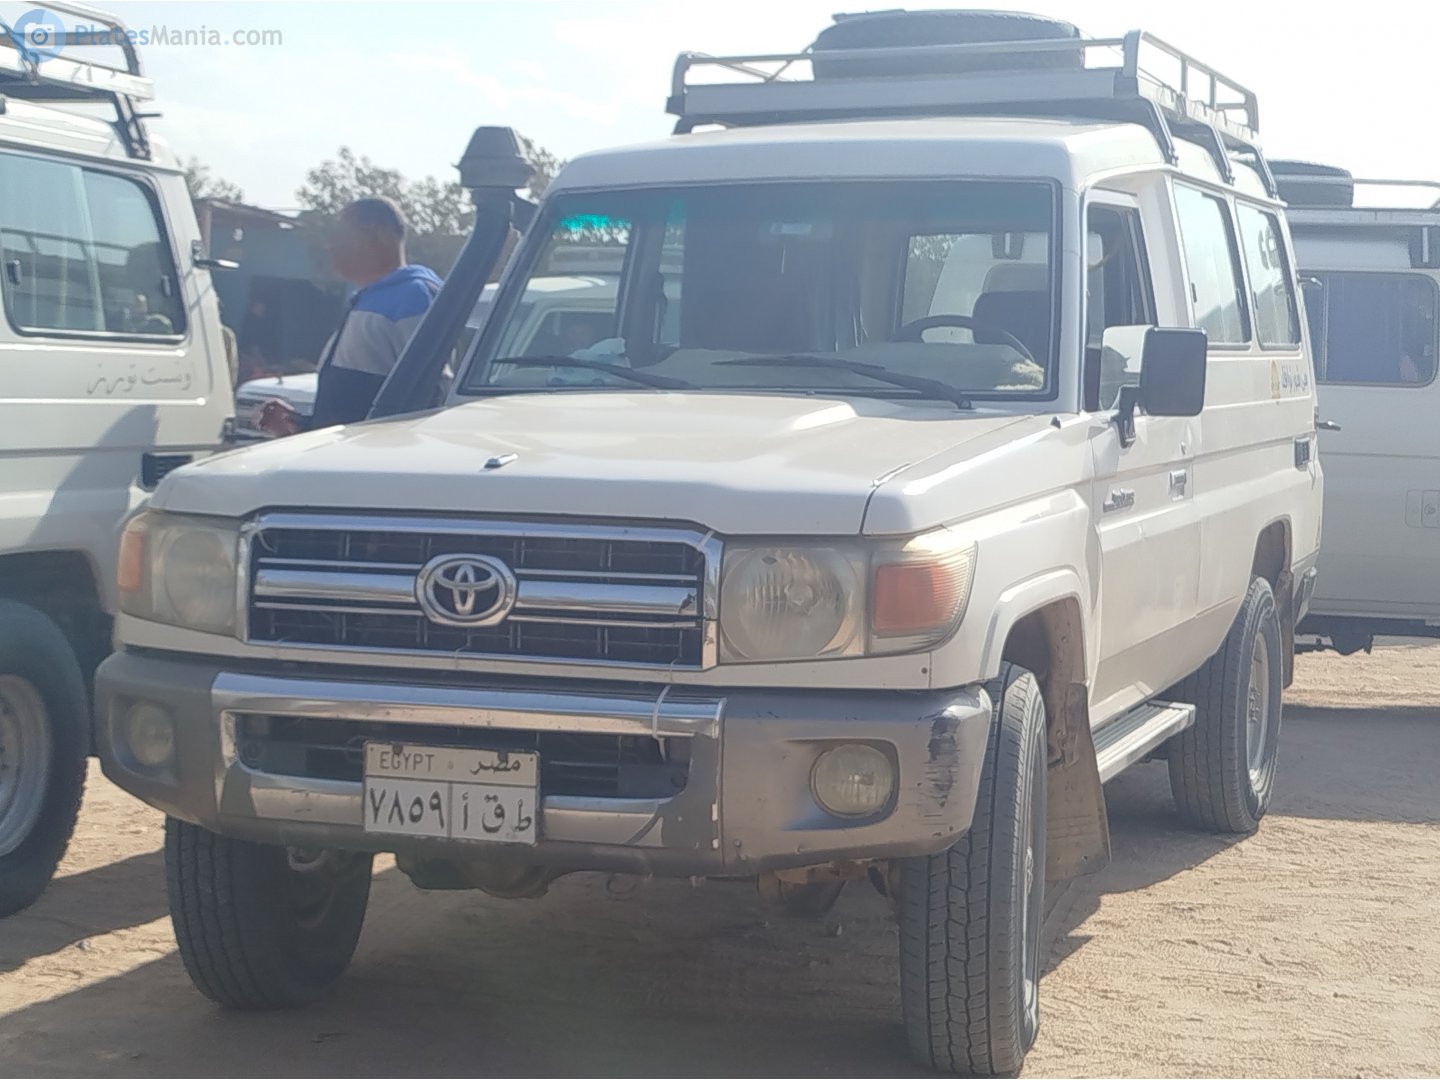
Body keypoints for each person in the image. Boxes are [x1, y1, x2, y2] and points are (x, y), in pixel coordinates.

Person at [257, 197, 441, 435]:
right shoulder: (364, 299)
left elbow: (433, 397)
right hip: (350, 460)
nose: (330, 245)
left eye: (342, 234)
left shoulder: (415, 295)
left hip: (376, 464)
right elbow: (355, 408)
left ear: (382, 234)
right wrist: (300, 425)